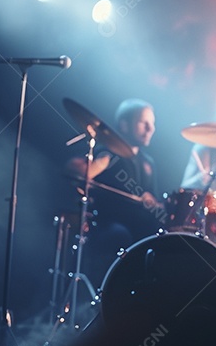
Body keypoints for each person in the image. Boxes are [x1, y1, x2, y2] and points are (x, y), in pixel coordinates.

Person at [66, 98, 165, 277]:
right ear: (125, 125)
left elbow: (157, 202)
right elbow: (74, 171)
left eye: (152, 123)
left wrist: (153, 203)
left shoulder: (148, 162)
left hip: (139, 225)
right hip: (106, 222)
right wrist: (100, 163)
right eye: (143, 122)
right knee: (120, 235)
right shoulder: (107, 152)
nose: (150, 129)